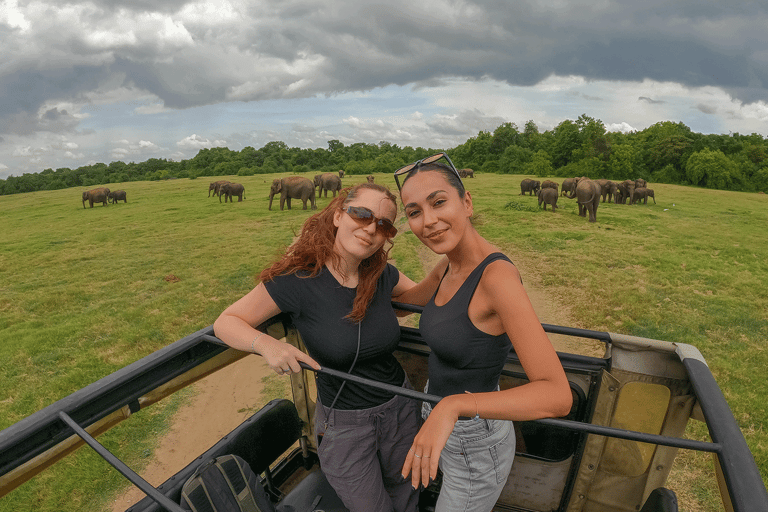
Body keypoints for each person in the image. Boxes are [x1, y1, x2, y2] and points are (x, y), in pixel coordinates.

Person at [213, 183, 420, 512]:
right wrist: (266, 344)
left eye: (384, 224)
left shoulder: (382, 275)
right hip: (346, 425)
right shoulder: (298, 281)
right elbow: (227, 321)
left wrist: (457, 262)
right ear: (338, 216)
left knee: (408, 493)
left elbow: (420, 299)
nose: (370, 228)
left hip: (402, 408)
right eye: (361, 214)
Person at [393, 154, 573, 512]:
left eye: (439, 202)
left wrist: (454, 406)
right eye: (414, 212)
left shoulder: (497, 278)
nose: (428, 221)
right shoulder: (449, 266)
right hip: (440, 418)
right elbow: (402, 303)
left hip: (475, 441)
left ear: (467, 202)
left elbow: (557, 395)